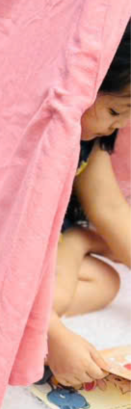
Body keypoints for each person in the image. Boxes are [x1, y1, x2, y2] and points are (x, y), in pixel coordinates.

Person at [46, 25, 131, 386]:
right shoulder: (41, 136)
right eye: (114, 110)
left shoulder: (90, 141)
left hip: (48, 248)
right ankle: (37, 325)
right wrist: (54, 335)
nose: (119, 125)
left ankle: (78, 242)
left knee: (106, 282)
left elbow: (110, 209)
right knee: (65, 285)